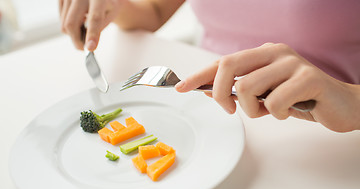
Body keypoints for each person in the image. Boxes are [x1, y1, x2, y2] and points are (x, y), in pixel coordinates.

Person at [59, 0, 360, 133]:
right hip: (211, 118)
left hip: (328, 138)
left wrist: (352, 99)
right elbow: (154, 10)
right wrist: (118, 4)